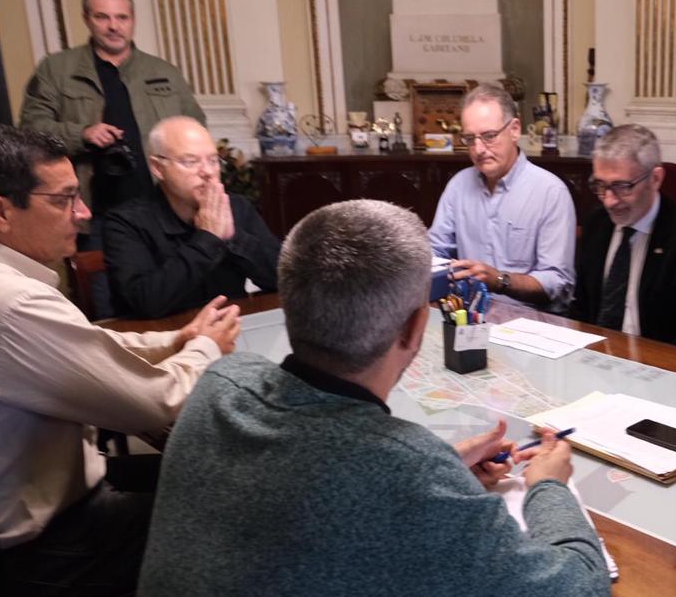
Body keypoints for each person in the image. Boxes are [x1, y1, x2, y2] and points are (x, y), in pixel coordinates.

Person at [138, 200, 610, 596]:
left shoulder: (222, 380)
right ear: (415, 327)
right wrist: (548, 485)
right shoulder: (411, 473)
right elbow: (578, 587)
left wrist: (444, 467)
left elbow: (329, 483)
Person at [0, 123, 239, 595]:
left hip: (52, 492)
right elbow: (155, 404)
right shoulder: (12, 301)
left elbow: (81, 345)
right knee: (238, 509)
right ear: (0, 211)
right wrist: (207, 347)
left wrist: (178, 337)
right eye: (64, 199)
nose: (83, 214)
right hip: (49, 543)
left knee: (211, 472)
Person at [19, 0, 205, 219]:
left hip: (162, 205)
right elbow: (30, 130)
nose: (114, 26)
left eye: (122, 17)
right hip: (91, 208)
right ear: (86, 19)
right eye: (102, 17)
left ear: (133, 20)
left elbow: (195, 127)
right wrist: (83, 134)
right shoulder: (56, 69)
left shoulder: (164, 72)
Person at [103, 116, 280, 318]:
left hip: (232, 331)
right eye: (191, 161)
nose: (207, 172)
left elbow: (283, 278)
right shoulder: (126, 222)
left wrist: (234, 237)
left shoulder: (237, 207)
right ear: (158, 168)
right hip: (163, 339)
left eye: (213, 161)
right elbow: (143, 302)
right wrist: (208, 239)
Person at [569, 124, 676, 349]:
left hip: (660, 367)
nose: (609, 200)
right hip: (596, 359)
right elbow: (582, 309)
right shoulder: (597, 224)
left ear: (655, 179)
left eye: (622, 186)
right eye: (600, 185)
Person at [429, 83, 576, 312]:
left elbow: (557, 282)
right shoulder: (458, 186)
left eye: (489, 136)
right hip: (466, 316)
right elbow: (435, 250)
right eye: (469, 139)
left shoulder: (550, 192)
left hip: (528, 323)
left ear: (515, 129)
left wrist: (498, 280)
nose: (478, 149)